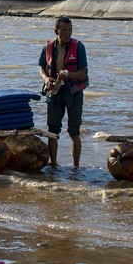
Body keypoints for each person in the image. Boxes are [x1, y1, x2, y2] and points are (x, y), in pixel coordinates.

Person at [38, 16, 89, 168]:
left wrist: (69, 75)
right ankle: (54, 165)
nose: (68, 33)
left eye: (70, 29)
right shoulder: (48, 47)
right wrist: (46, 79)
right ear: (56, 31)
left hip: (73, 92)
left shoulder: (79, 47)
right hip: (54, 91)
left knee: (74, 131)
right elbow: (41, 67)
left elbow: (83, 72)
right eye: (64, 30)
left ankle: (76, 167)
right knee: (52, 131)